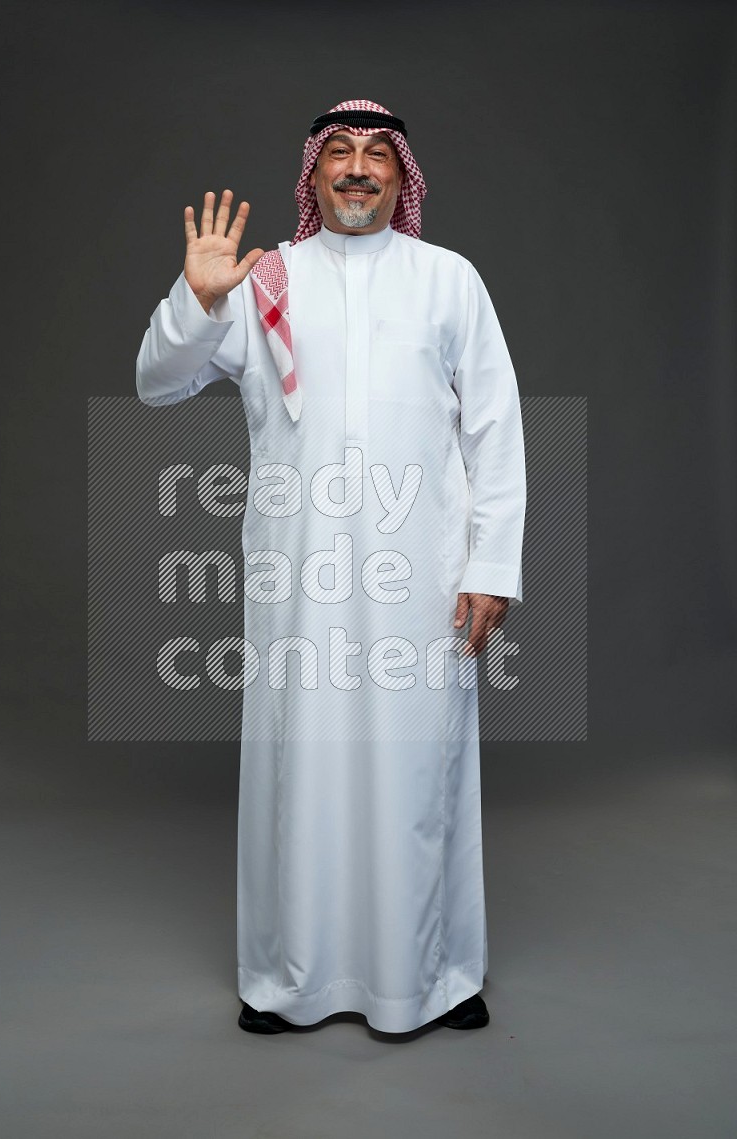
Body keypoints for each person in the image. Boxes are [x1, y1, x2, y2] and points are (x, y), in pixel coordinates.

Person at [136, 99, 527, 1036]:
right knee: (297, 768)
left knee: (419, 767)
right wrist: (198, 299)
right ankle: (284, 976)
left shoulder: (449, 282)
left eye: (376, 155)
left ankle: (432, 976)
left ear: (403, 175)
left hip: (420, 579)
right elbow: (157, 380)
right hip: (298, 577)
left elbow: (495, 428)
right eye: (339, 154)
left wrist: (493, 564)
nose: (357, 169)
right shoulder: (266, 279)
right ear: (312, 176)